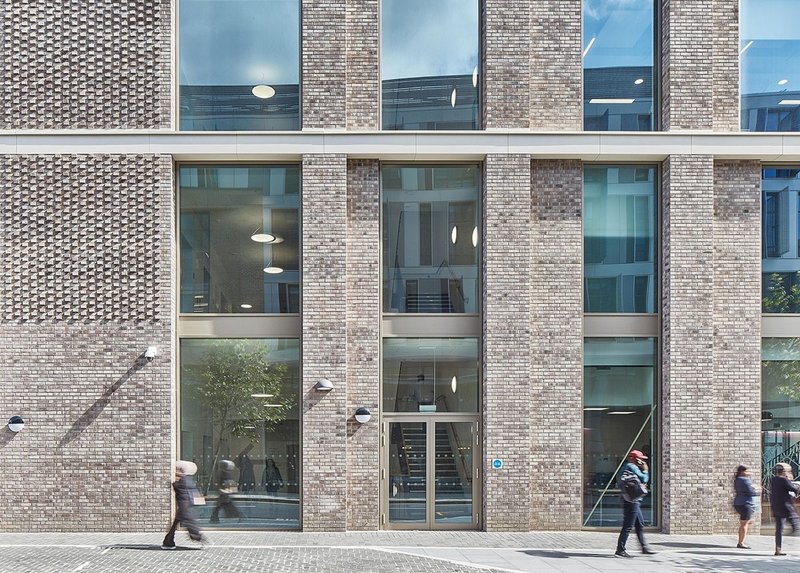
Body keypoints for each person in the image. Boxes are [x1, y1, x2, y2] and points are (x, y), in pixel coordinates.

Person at [615, 450, 656, 558]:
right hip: (632, 501)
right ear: (634, 458)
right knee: (628, 525)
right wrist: (646, 470)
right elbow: (644, 479)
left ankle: (644, 547)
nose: (642, 460)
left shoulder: (624, 467)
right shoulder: (632, 467)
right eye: (640, 458)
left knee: (639, 524)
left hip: (629, 499)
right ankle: (620, 550)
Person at [162, 460, 206, 549]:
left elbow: (178, 487)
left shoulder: (183, 480)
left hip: (183, 506)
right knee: (176, 525)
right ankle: (168, 542)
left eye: (178, 470)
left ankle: (198, 538)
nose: (176, 471)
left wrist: (173, 482)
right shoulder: (187, 479)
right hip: (184, 505)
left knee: (189, 524)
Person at [771, 462, 800, 556]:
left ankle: (778, 549)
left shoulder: (773, 479)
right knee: (795, 520)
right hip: (785, 506)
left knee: (779, 529)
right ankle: (794, 530)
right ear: (783, 472)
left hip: (776, 506)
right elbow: (793, 488)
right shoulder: (784, 480)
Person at [732, 465, 758, 549]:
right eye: (747, 471)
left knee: (745, 522)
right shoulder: (745, 480)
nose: (748, 472)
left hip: (739, 503)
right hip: (746, 504)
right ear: (742, 471)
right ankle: (741, 543)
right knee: (744, 524)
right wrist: (756, 489)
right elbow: (751, 492)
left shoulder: (737, 480)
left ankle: (741, 541)